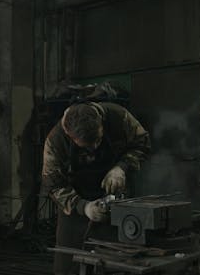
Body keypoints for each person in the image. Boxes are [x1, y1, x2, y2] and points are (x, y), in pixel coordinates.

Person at [41, 101, 151, 274]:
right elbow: (54, 185)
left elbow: (142, 142)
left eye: (98, 140)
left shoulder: (119, 117)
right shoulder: (55, 142)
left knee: (117, 262)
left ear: (101, 122)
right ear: (70, 135)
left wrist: (122, 167)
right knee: (68, 266)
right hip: (75, 202)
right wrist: (83, 206)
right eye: (86, 146)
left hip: (115, 197)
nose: (94, 149)